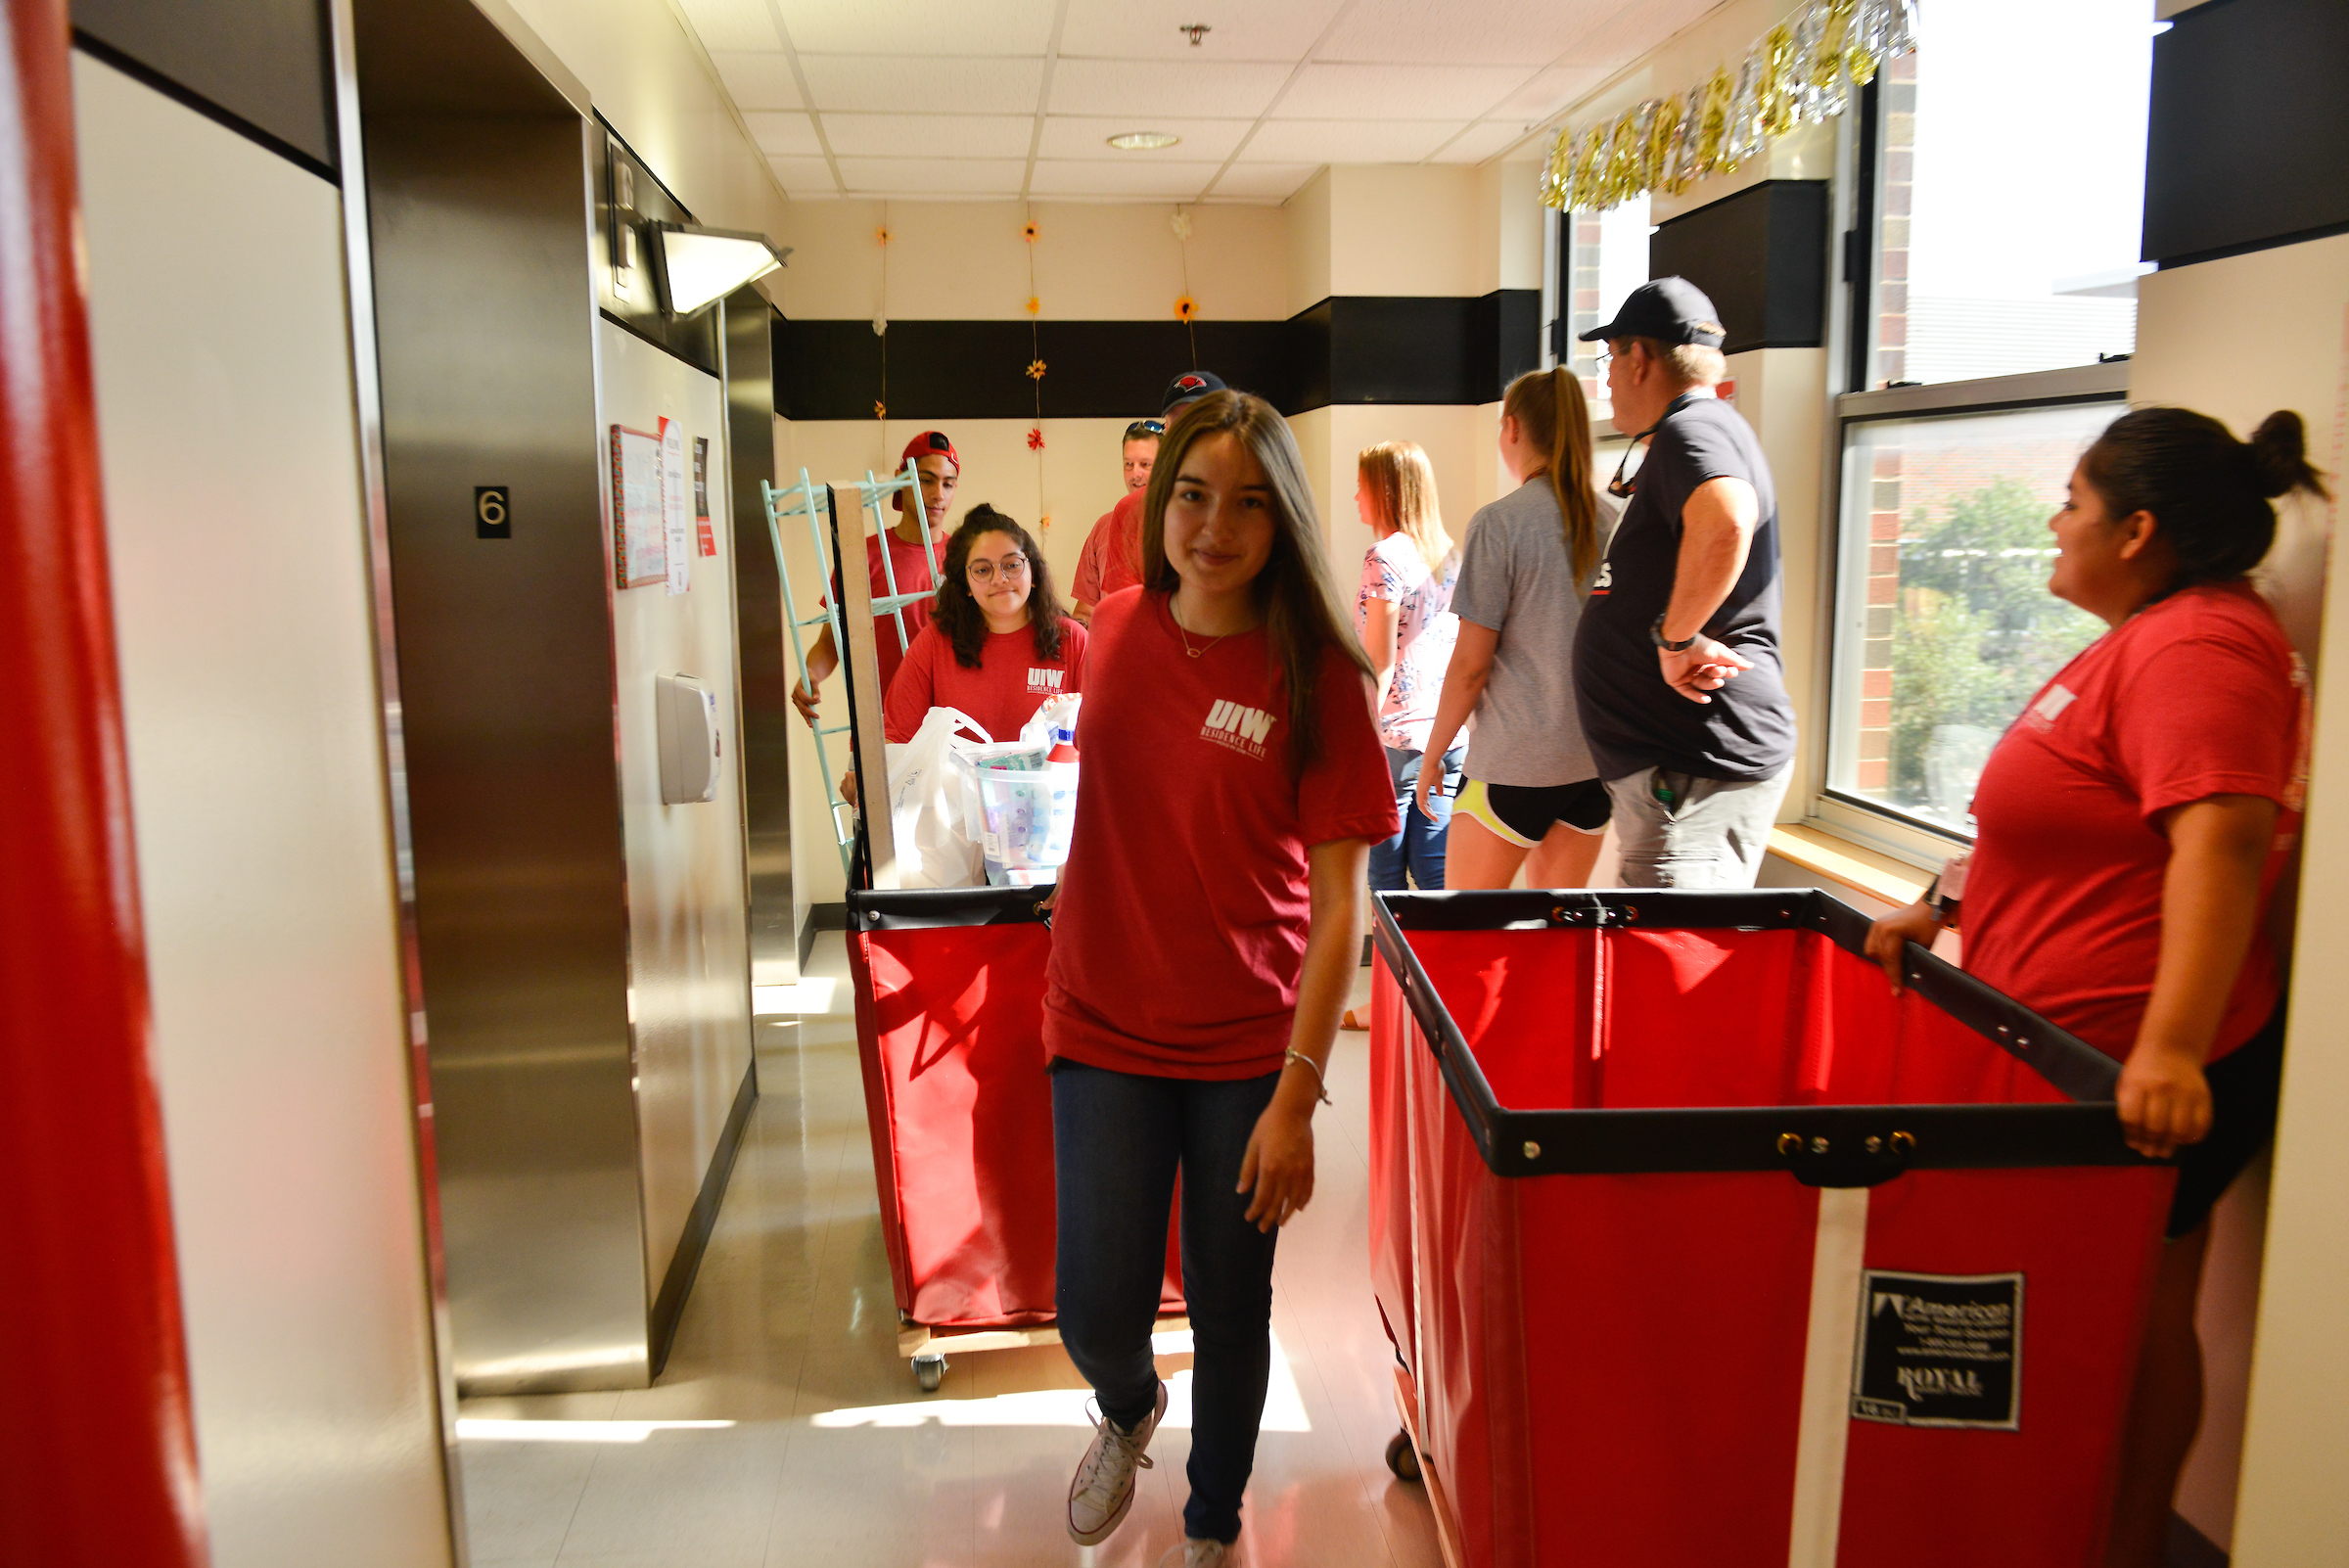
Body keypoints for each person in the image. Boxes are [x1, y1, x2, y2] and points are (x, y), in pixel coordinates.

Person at [1865, 407, 2322, 1568]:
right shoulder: (2147, 634)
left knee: (2124, 1328)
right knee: (2079, 1323)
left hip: (2133, 1067)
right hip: (2060, 1054)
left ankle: (2116, 1549)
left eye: (2072, 501)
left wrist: (2166, 1052)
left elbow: (2223, 838)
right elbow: (2063, 814)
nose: (2054, 522)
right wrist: (1948, 905)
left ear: (2139, 530)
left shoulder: (2201, 646)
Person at [1043, 390, 1399, 1568]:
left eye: (1249, 502)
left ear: (1284, 516)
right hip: (1100, 1016)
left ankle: (1210, 1520)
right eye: (1192, 495)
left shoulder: (1320, 671)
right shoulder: (1121, 626)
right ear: (1158, 502)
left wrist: (1299, 1095)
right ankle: (1132, 1401)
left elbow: (1343, 899)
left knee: (1232, 1301)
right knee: (1096, 1305)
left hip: (1249, 1039)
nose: (1214, 526)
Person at [1572, 277, 1797, 886]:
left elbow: (1725, 522)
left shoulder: (1692, 429)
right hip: (1680, 767)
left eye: (1609, 360)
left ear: (1637, 357)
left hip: (1692, 769)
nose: (1608, 380)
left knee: (1668, 966)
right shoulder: (1699, 429)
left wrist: (1675, 639)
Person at [1412, 367, 1611, 892]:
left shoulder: (1500, 523)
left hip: (1513, 767)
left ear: (1514, 428)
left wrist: (1432, 757)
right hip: (1592, 769)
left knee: (1465, 944)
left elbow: (1470, 665)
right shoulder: (1612, 522)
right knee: (1555, 942)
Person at [791, 429, 960, 723]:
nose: (938, 495)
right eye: (926, 480)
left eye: (948, 484)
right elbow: (833, 641)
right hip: (880, 732)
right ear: (900, 479)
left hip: (948, 732)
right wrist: (810, 678)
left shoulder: (964, 558)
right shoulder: (863, 555)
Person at [881, 505, 1085, 745]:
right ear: (965, 584)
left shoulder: (1073, 640)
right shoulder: (934, 644)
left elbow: (1106, 737)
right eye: (982, 570)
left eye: (1012, 565)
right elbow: (894, 740)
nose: (999, 579)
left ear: (1034, 573)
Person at [1359, 441, 1461, 891]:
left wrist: (1356, 733)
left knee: (1386, 883)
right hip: (1448, 737)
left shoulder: (1383, 556)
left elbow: (1379, 661)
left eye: (1360, 486)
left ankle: (1392, 966)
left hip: (1395, 740)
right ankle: (1442, 964)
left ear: (1383, 490)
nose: (1355, 498)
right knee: (1435, 876)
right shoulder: (1449, 554)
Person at [1071, 372, 1227, 622]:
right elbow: (1119, 614)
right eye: (1178, 426)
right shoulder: (1129, 512)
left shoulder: (1255, 493)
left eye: (1145, 464)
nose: (1136, 475)